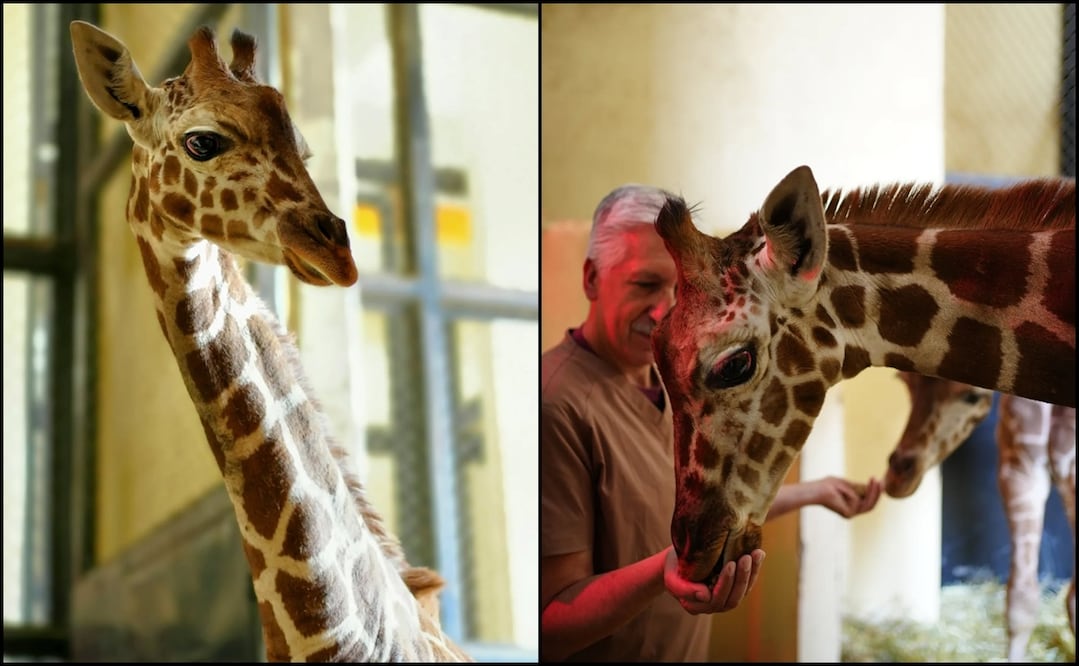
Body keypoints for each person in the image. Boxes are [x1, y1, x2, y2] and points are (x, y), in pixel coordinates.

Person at [540, 184, 882, 662]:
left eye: (680, 290)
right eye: (644, 285)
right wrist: (668, 569)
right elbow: (549, 625)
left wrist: (815, 492)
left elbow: (692, 498)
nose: (664, 310)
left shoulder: (677, 379)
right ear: (592, 278)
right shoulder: (556, 405)